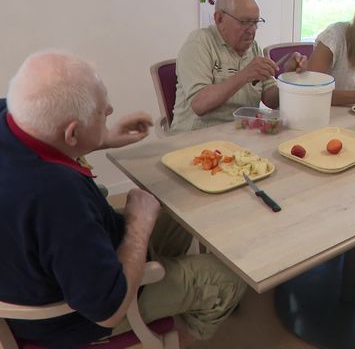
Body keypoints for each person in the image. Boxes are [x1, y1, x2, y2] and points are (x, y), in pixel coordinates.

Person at [0, 51, 246, 347]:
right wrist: (137, 226)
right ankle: (167, 337)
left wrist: (100, 136)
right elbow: (108, 310)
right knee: (227, 278)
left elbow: (45, 137)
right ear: (72, 133)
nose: (111, 110)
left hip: (37, 267)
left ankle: (170, 276)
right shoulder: (57, 196)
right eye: (102, 112)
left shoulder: (11, 113)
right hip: (71, 317)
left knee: (182, 201)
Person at [171, 0, 306, 132]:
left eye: (255, 22)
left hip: (242, 135)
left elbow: (271, 100)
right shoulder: (200, 43)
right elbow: (199, 104)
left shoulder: (253, 48)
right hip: (196, 139)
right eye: (244, 22)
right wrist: (245, 75)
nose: (252, 30)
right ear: (219, 19)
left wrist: (288, 77)